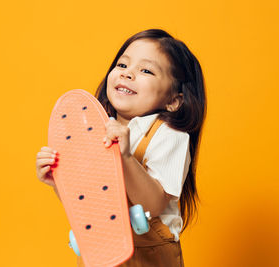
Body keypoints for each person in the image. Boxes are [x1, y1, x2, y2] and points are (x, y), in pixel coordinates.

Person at [35, 28, 206, 266]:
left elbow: (153, 204)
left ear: (173, 100)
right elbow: (89, 202)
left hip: (149, 257)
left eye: (146, 70)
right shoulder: (92, 128)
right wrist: (61, 182)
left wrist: (125, 157)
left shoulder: (169, 135)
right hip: (100, 250)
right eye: (122, 65)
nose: (127, 74)